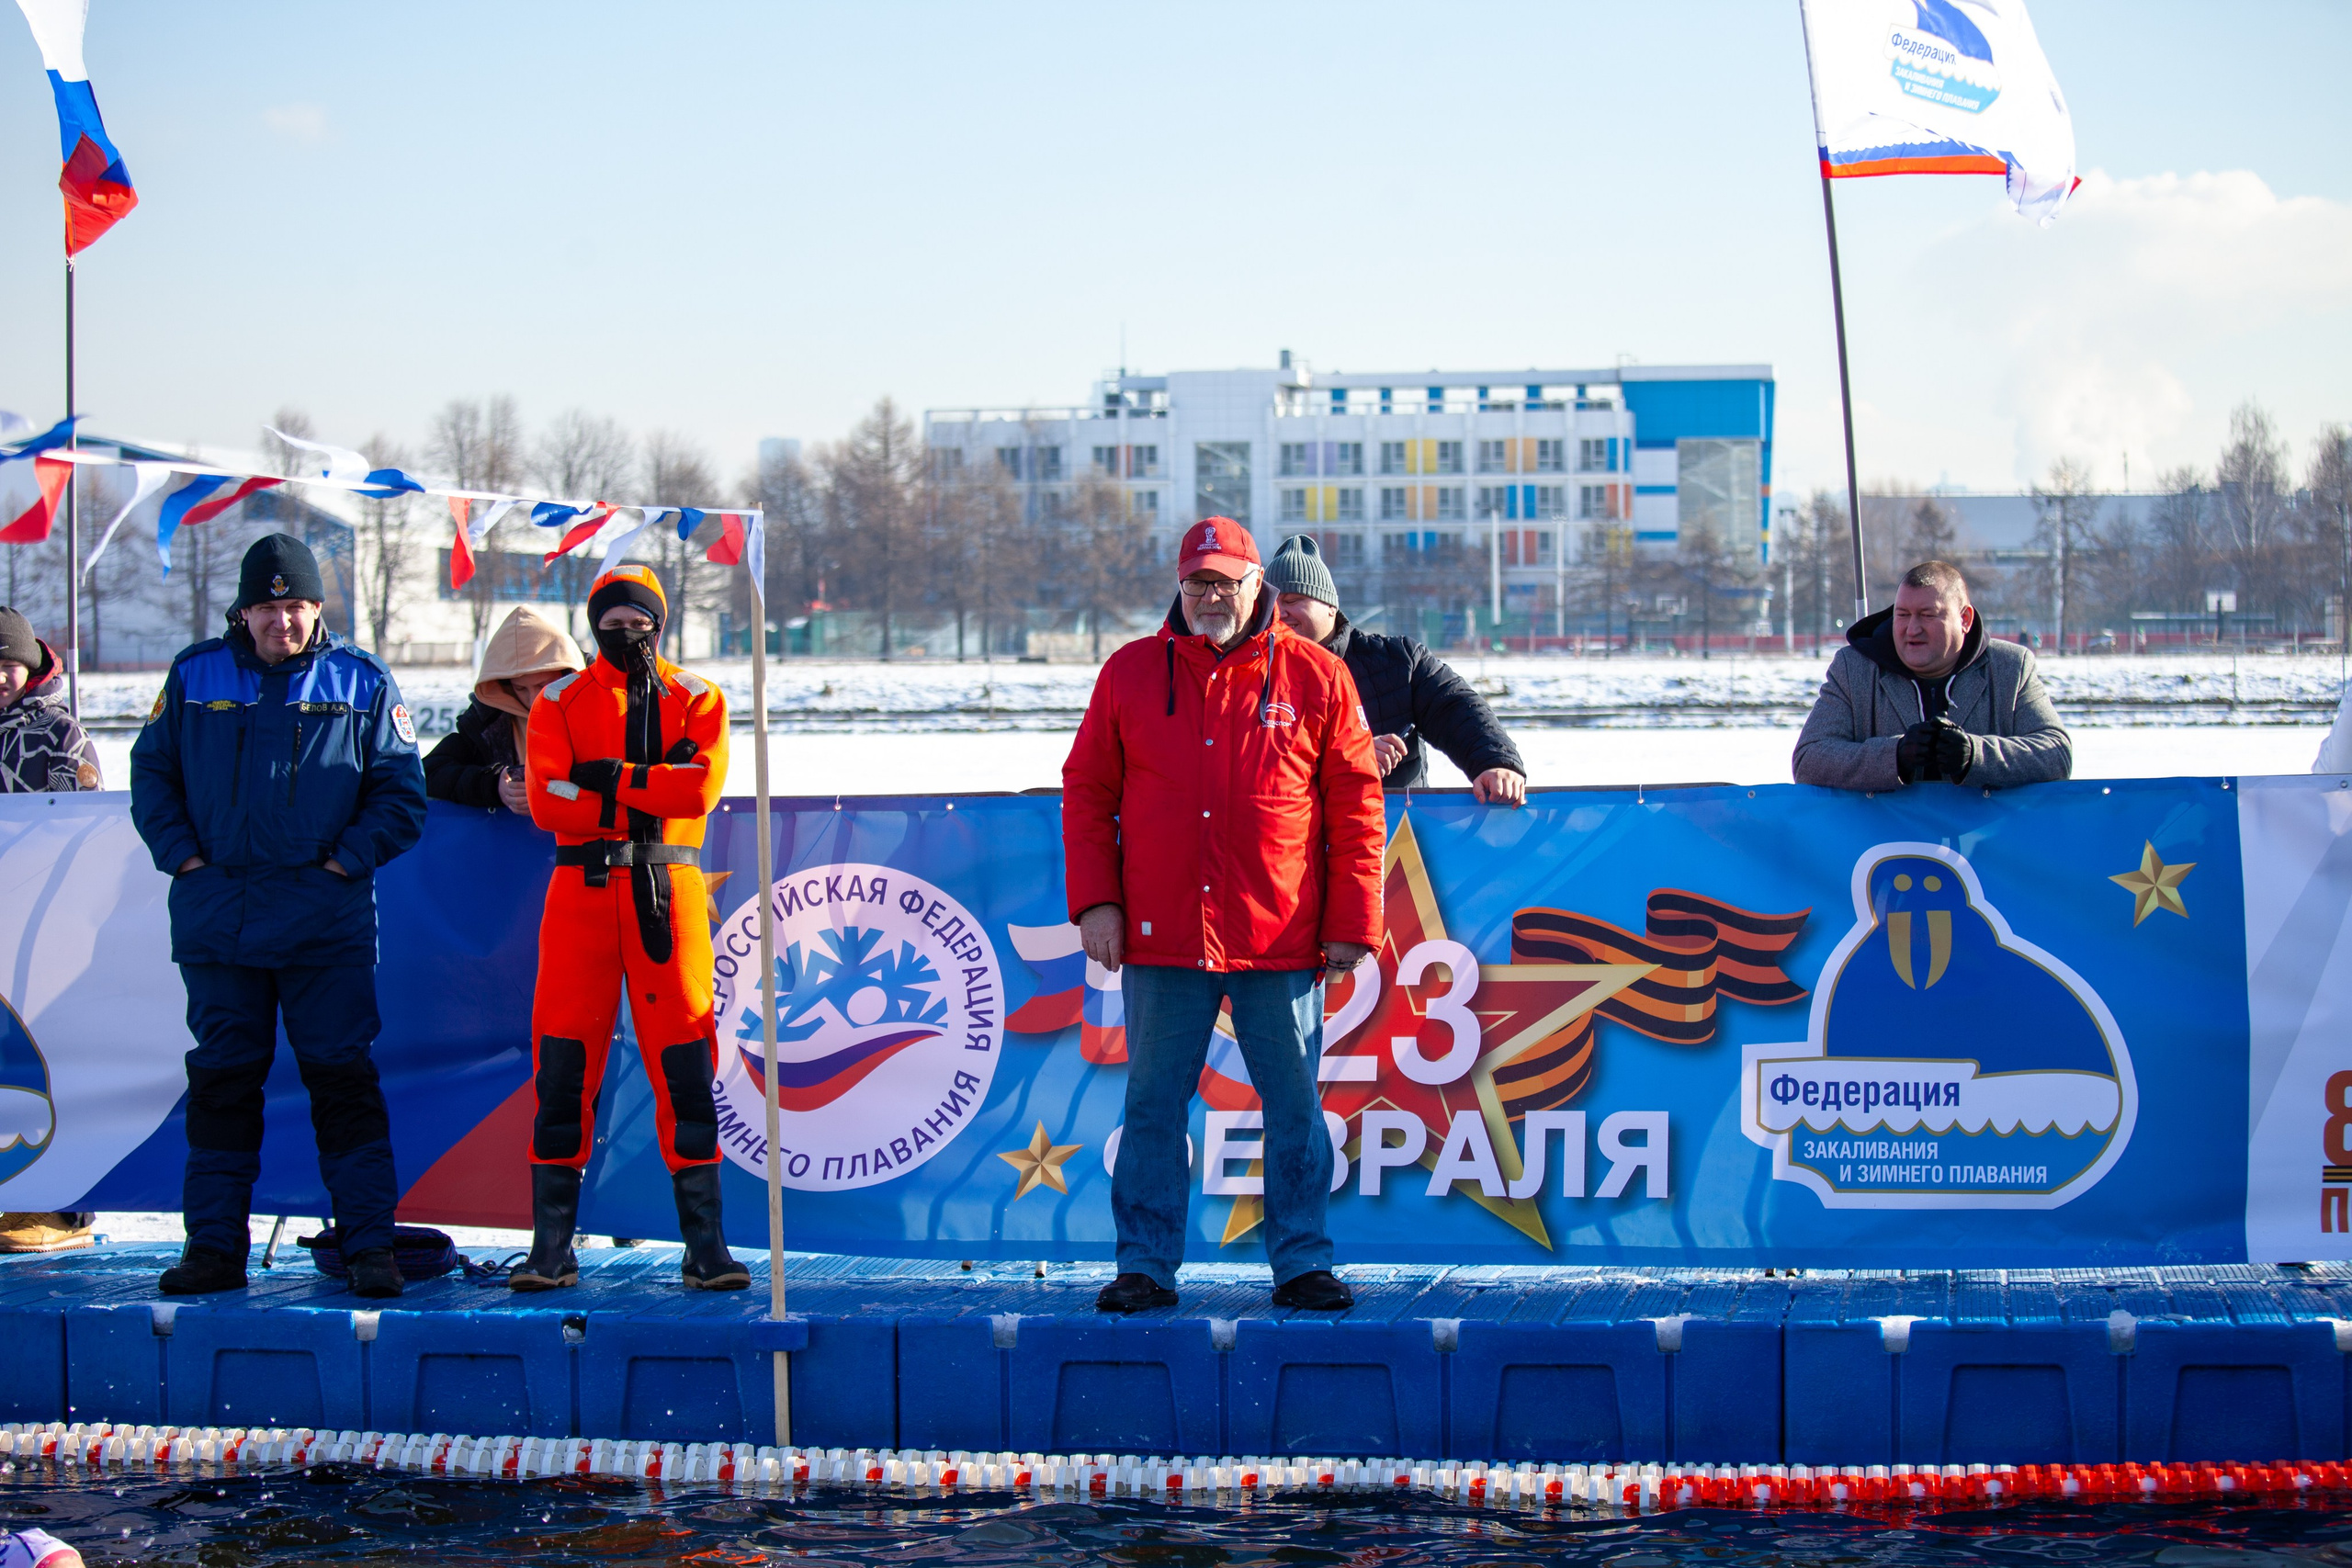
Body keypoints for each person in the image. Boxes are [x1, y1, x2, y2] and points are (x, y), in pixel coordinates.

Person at [1063, 516, 1385, 1314]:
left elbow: (1355, 801)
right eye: (1196, 582)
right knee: (1151, 1105)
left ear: (1256, 587)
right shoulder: (1129, 674)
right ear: (1180, 587)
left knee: (1296, 1107)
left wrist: (1353, 919)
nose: (1210, 596)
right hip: (1162, 937)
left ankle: (1301, 1260)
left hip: (1279, 934)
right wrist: (1097, 902)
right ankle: (1145, 1262)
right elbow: (1088, 791)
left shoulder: (1316, 676)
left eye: (1224, 582)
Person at [129, 533, 427, 1298]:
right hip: (218, 927)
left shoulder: (361, 680)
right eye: (266, 605)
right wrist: (184, 857)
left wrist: (341, 863)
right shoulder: (194, 674)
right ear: (245, 609)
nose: (280, 621)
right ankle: (215, 1251)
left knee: (343, 1085)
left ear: (317, 608)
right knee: (223, 1086)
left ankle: (368, 1250)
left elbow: (401, 794)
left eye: (294, 604)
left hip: (324, 930)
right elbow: (151, 774)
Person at [511, 562, 743, 1292]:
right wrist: (648, 783)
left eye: (640, 623)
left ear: (661, 622)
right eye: (612, 624)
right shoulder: (559, 699)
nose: (627, 635)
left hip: (668, 890)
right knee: (563, 1065)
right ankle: (551, 1245)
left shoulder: (699, 697)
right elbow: (550, 803)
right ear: (592, 624)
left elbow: (701, 787)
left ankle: (705, 1245)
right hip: (579, 892)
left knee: (685, 1066)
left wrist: (604, 775)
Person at [1261, 535, 1527, 805]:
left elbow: (1455, 707)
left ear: (1331, 606)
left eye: (1293, 601)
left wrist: (1495, 762)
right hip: (1295, 839)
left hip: (1401, 836)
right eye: (1272, 603)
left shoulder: (1399, 662)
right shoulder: (1250, 671)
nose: (1281, 612)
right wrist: (1351, 759)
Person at [0, 606, 102, 1257]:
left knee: (46, 1065)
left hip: (38, 926)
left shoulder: (57, 734)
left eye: (5, 666)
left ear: (28, 666)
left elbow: (90, 831)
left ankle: (60, 1207)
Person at [1792, 559, 2071, 791]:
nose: (1912, 629)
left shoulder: (2010, 668)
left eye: (1928, 615)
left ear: (1965, 620)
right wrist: (1895, 756)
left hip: (1979, 853)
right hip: (1885, 850)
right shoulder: (1854, 669)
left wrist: (1975, 755)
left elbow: (2056, 754)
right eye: (1902, 615)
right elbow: (1809, 759)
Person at [424, 604, 585, 812]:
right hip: (510, 841)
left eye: (542, 685)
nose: (533, 698)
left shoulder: (600, 706)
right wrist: (493, 785)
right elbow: (429, 772)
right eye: (520, 688)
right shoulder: (487, 720)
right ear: (504, 685)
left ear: (567, 673)